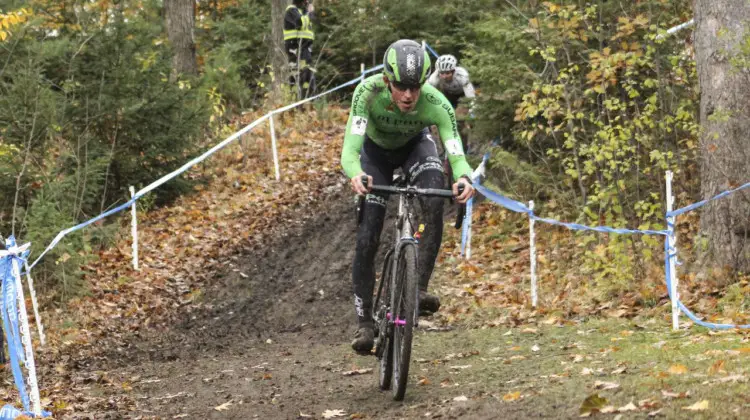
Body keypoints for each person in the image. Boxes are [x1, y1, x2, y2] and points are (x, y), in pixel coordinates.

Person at [340, 39, 476, 354]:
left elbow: (455, 149)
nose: (408, 95)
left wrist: (464, 177)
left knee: (433, 196)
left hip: (416, 147)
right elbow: (350, 148)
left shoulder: (436, 102)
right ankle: (364, 323)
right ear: (388, 80)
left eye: (414, 87)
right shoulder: (367, 92)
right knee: (368, 234)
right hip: (375, 155)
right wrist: (355, 173)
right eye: (401, 86)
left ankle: (420, 289)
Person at [283, 0, 316, 98]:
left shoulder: (303, 12)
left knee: (309, 78)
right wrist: (310, 13)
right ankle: (297, 103)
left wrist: (310, 12)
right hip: (296, 49)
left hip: (306, 49)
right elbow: (300, 22)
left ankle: (310, 102)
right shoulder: (291, 10)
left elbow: (312, 19)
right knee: (299, 78)